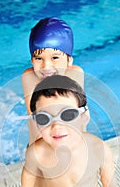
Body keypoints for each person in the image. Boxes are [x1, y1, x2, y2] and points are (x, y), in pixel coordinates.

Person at [21, 17, 84, 145]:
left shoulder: (75, 73)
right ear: (32, 60)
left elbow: (80, 118)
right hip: (40, 144)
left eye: (55, 57)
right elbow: (36, 121)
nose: (46, 66)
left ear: (69, 60)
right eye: (39, 58)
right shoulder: (29, 77)